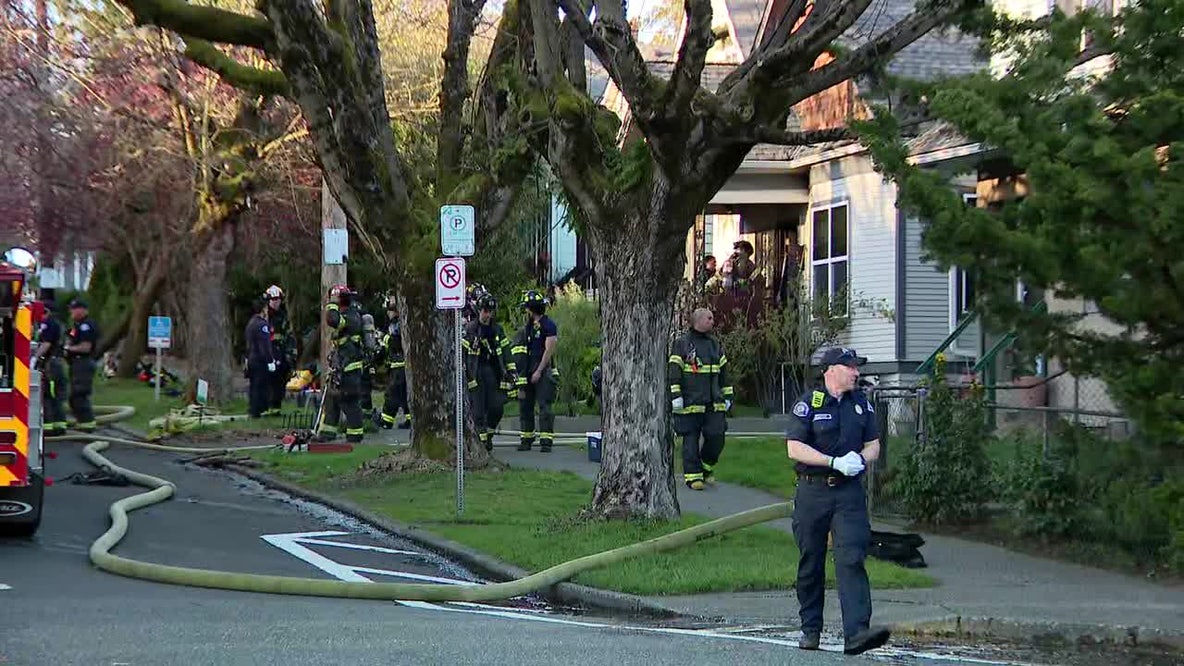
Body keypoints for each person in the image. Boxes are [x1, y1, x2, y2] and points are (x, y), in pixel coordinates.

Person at [785, 346, 890, 656]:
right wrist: (832, 462)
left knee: (852, 557)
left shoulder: (861, 405)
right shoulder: (809, 404)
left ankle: (857, 633)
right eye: (850, 367)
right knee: (811, 560)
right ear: (831, 370)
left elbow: (874, 445)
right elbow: (794, 448)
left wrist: (860, 458)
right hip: (813, 491)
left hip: (848, 494)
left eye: (857, 367)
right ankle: (810, 629)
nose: (856, 372)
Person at [667, 307, 733, 490]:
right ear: (698, 321)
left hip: (713, 402)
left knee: (717, 436)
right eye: (709, 318)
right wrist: (676, 396)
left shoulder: (714, 345)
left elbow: (724, 374)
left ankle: (706, 466)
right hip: (690, 402)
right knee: (690, 440)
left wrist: (728, 395)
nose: (713, 321)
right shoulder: (682, 344)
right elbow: (674, 371)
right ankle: (693, 476)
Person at [316, 284, 365, 443]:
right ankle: (327, 433)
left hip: (350, 370)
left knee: (349, 402)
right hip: (340, 368)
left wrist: (331, 304)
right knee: (332, 400)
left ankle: (355, 436)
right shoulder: (348, 314)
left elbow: (332, 319)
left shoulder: (351, 317)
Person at [463, 293, 512, 452]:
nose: (488, 314)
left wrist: (511, 370)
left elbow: (506, 351)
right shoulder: (470, 329)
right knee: (478, 411)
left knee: (497, 408)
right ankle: (481, 445)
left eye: (490, 311)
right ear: (479, 310)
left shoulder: (497, 330)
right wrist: (465, 375)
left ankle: (488, 436)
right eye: (485, 311)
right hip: (475, 374)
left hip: (493, 372)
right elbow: (462, 353)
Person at [511, 290, 557, 452]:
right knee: (525, 406)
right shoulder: (528, 328)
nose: (526, 312)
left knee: (545, 406)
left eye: (527, 308)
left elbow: (548, 351)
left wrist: (538, 371)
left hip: (542, 372)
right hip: (528, 372)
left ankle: (546, 442)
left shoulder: (549, 325)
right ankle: (527, 439)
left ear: (532, 309)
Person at [33, 298, 68, 436]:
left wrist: (34, 358)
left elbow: (46, 344)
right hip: (57, 362)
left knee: (48, 394)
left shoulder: (48, 324)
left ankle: (48, 426)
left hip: (51, 364)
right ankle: (59, 425)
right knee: (56, 395)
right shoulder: (57, 324)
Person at [63, 299, 99, 432]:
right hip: (76, 363)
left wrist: (68, 349)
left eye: (74, 309)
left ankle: (87, 424)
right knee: (74, 395)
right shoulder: (77, 326)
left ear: (83, 310)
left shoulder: (86, 326)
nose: (71, 311)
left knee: (79, 394)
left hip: (83, 362)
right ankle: (83, 423)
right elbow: (70, 336)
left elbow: (85, 347)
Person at [377, 295, 411, 429]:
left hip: (399, 366)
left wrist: (383, 338)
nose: (388, 312)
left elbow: (396, 344)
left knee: (392, 394)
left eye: (390, 309)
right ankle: (410, 419)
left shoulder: (397, 324)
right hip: (401, 365)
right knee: (404, 395)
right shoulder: (397, 323)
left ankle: (386, 421)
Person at [263, 285, 295, 416]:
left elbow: (290, 337)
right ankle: (265, 408)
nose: (276, 302)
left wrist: (290, 356)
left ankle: (276, 409)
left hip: (280, 355)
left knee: (279, 383)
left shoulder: (283, 317)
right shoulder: (263, 317)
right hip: (266, 354)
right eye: (274, 300)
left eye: (278, 300)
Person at [245, 297, 276, 419]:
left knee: (254, 386)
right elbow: (265, 344)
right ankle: (258, 410)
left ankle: (253, 410)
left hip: (251, 358)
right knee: (261, 386)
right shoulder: (262, 325)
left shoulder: (251, 323)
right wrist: (270, 360)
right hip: (260, 360)